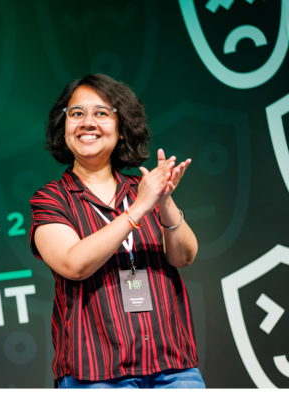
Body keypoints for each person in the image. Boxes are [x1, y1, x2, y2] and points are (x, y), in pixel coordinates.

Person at [30, 74, 205, 391]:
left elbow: (184, 256)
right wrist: (138, 209)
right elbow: (74, 264)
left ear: (121, 128)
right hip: (97, 373)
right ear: (63, 128)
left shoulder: (144, 189)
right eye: (76, 113)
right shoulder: (51, 199)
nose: (88, 122)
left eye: (101, 113)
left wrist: (164, 202)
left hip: (173, 366)